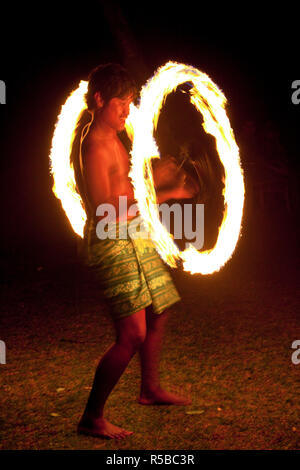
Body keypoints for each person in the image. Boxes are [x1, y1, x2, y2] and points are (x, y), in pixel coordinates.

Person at [75, 63, 198, 439]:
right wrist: (160, 194)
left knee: (159, 306)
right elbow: (102, 207)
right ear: (99, 100)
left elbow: (125, 187)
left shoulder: (115, 136)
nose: (128, 111)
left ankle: (149, 389)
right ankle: (92, 417)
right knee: (131, 335)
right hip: (113, 240)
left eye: (130, 103)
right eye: (121, 104)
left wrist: (158, 180)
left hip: (133, 231)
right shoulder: (95, 143)